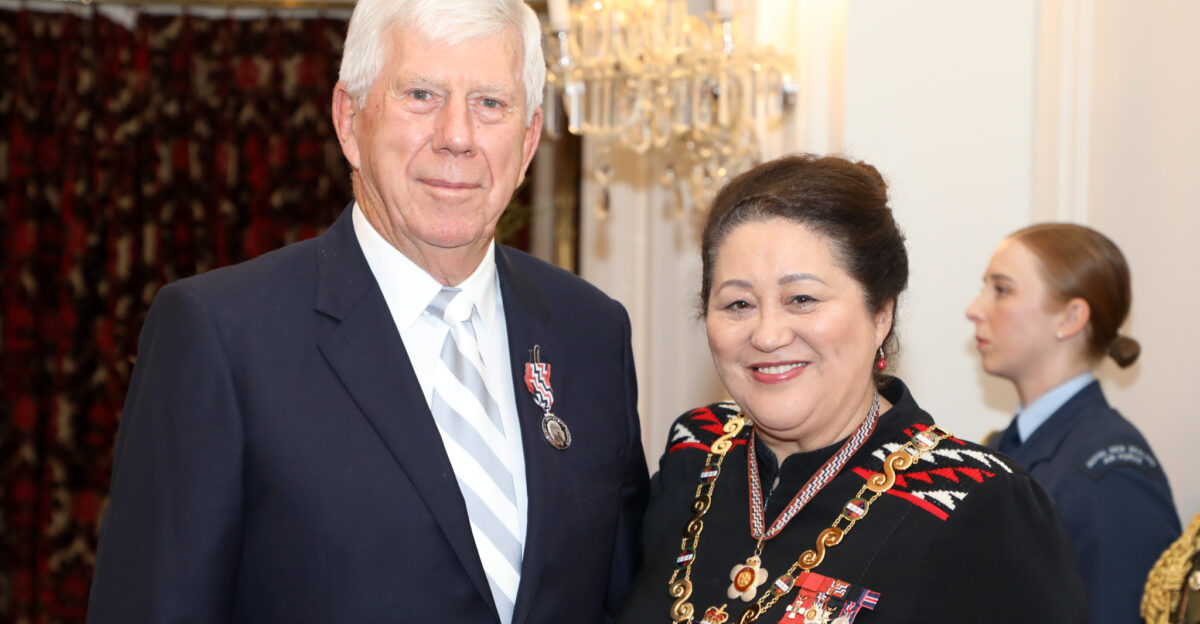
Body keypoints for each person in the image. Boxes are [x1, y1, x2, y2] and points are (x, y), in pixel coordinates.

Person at [86, 1, 650, 622]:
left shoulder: (591, 332)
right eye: (421, 94)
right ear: (349, 121)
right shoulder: (221, 336)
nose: (457, 136)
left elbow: (624, 599)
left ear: (527, 139)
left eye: (490, 103)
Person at [617, 154, 1086, 624]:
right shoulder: (696, 451)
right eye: (738, 303)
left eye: (802, 299)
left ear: (880, 312)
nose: (767, 334)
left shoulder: (980, 503)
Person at [966, 223, 1180, 624]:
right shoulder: (1003, 448)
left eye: (1002, 289)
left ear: (1070, 318)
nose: (974, 309)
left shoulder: (1111, 473)